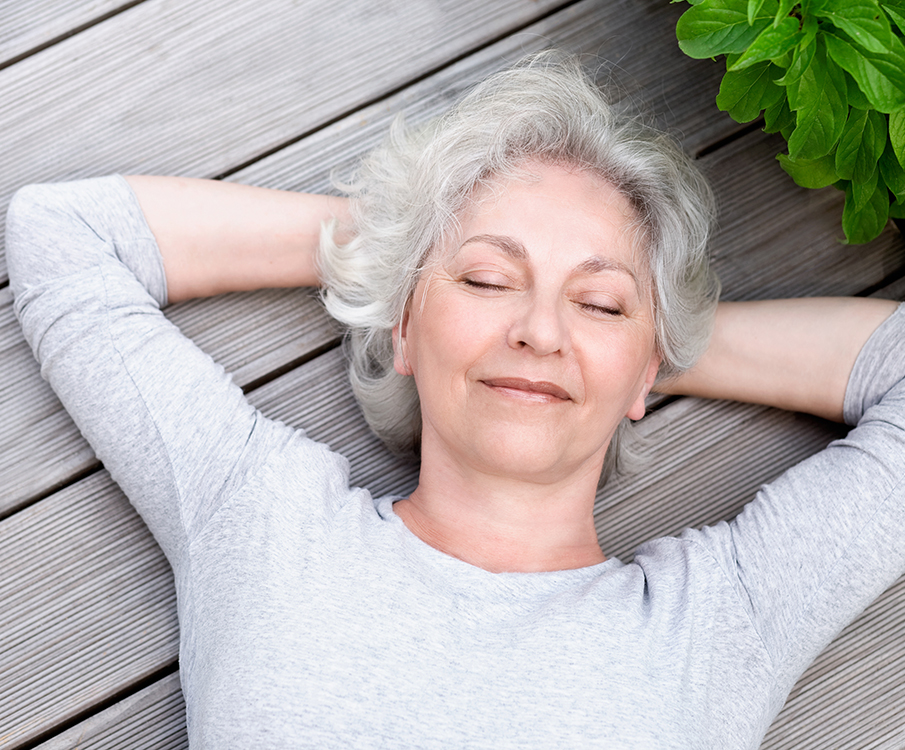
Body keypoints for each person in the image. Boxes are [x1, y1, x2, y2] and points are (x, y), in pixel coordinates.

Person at [6, 54, 905, 748]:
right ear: (403, 326)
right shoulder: (264, 524)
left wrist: (650, 341)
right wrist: (394, 245)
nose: (540, 330)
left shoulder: (723, 622)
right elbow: (64, 236)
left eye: (595, 301)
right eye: (484, 279)